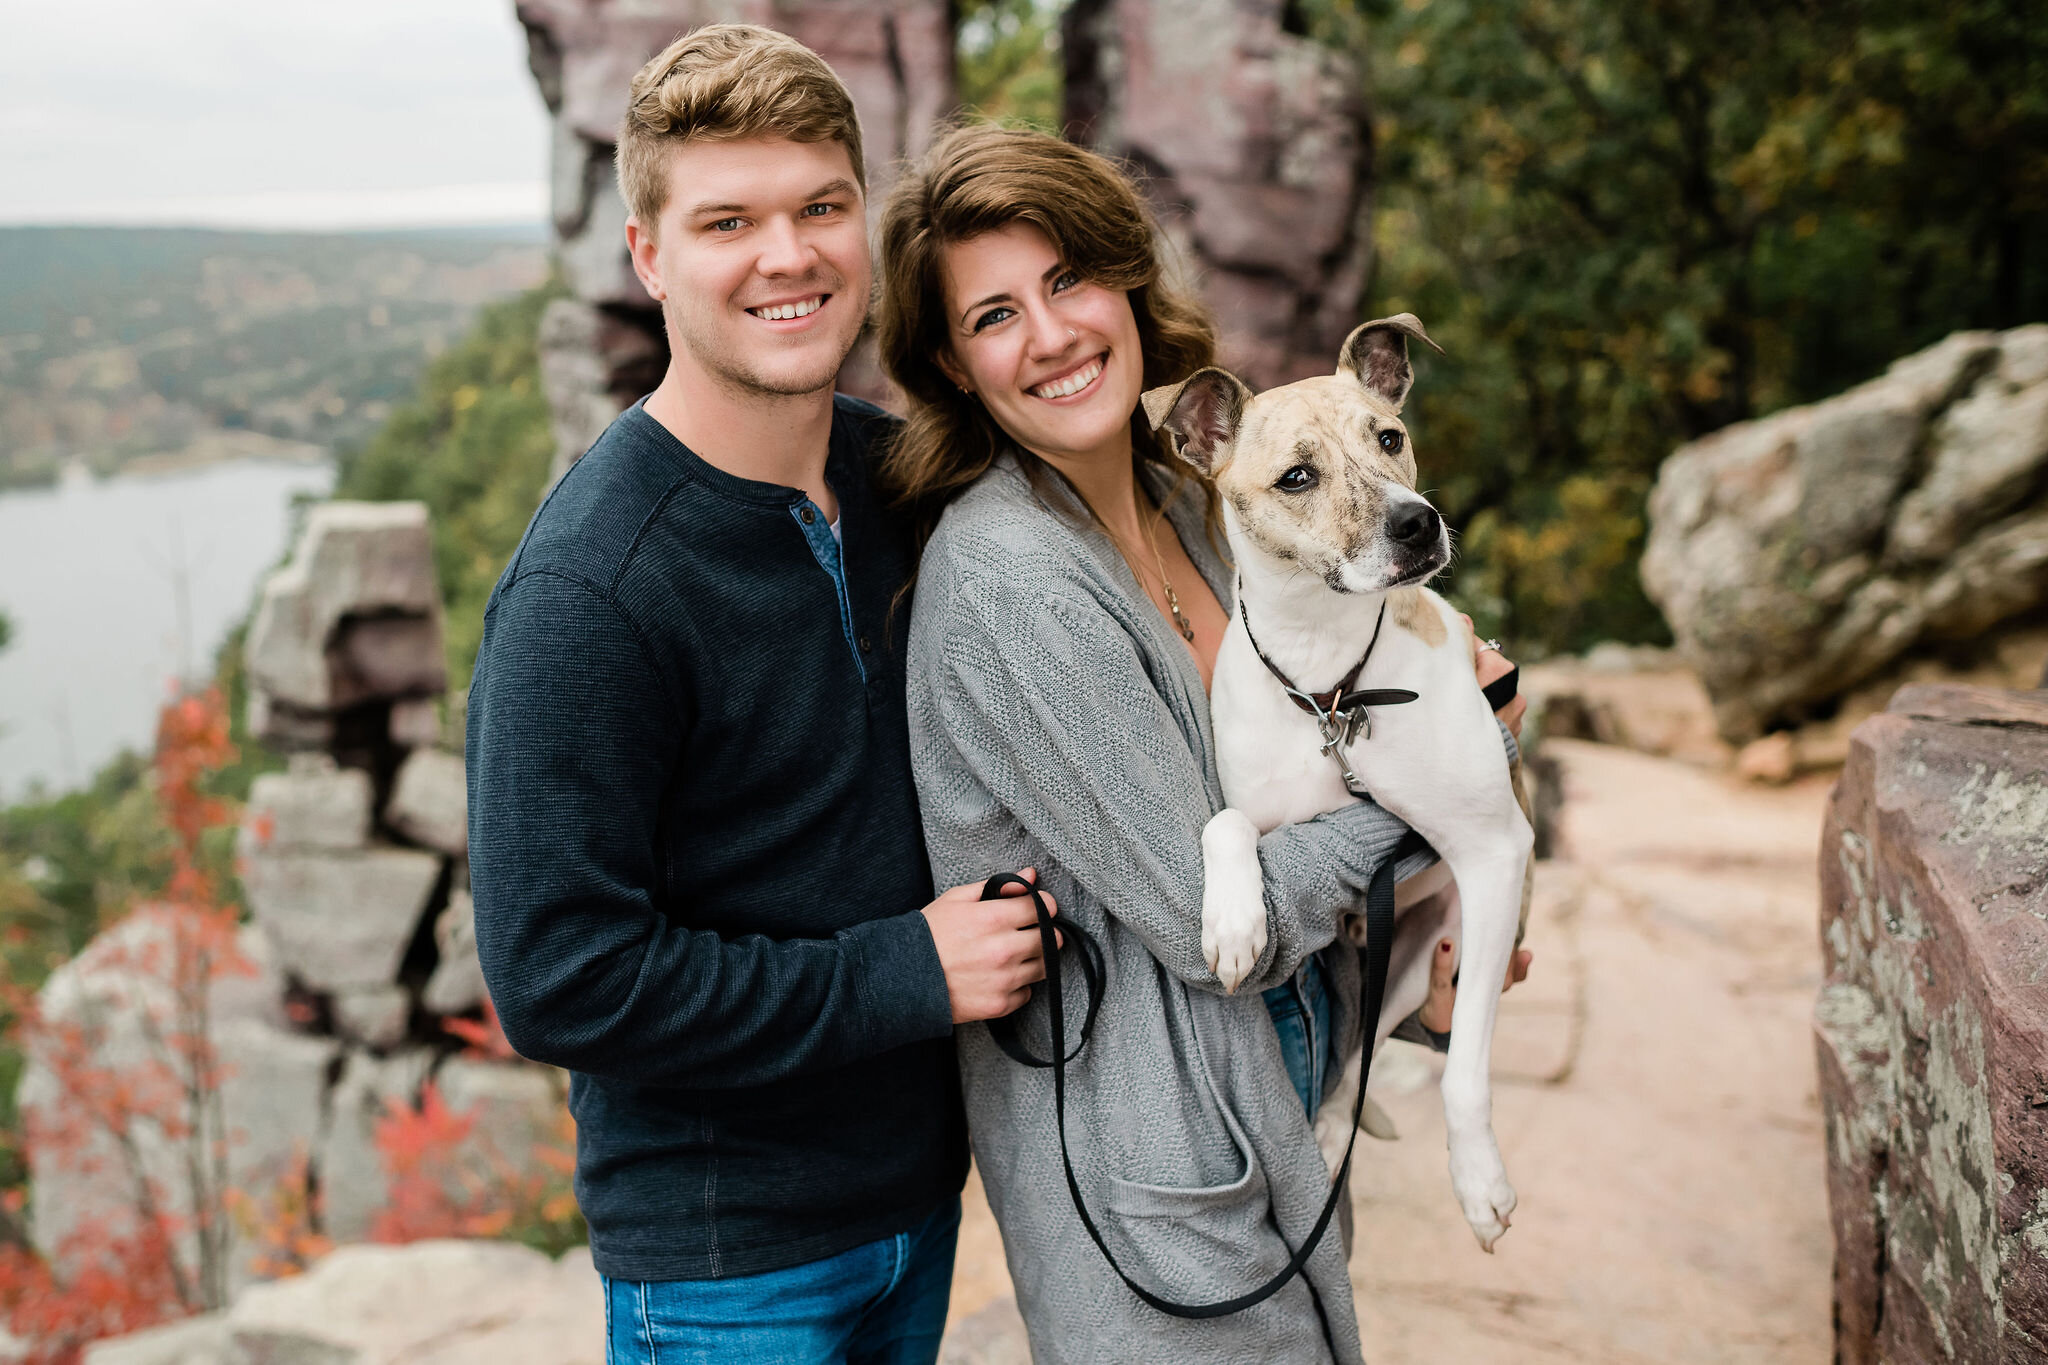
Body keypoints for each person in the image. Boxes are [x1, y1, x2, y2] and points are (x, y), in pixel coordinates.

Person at [878, 123, 1530, 1364]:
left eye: (1068, 280)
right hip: (1156, 1193)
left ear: (1126, 282)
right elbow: (1203, 925)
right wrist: (1444, 770)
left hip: (1271, 1112)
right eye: (994, 315)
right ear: (956, 368)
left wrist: (1413, 985)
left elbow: (1321, 769)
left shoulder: (1205, 497)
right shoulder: (1011, 580)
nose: (1054, 333)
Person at [463, 28, 1057, 1365]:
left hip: (921, 1205)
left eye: (820, 209)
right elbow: (559, 979)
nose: (786, 257)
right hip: (731, 1267)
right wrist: (903, 969)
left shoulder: (902, 480)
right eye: (728, 220)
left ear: (864, 223)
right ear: (650, 256)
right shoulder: (589, 590)